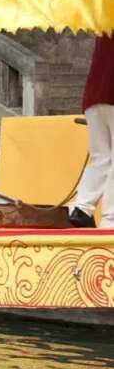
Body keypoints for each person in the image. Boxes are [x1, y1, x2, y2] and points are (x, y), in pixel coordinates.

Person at [69, 36, 114, 228]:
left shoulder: (102, 19)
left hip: (94, 97)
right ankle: (111, 218)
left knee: (101, 157)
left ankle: (82, 207)